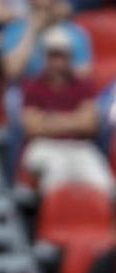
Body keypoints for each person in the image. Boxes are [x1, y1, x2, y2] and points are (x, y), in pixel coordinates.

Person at [19, 26, 111, 194]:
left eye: (62, 55)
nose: (58, 61)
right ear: (45, 57)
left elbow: (90, 125)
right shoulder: (33, 87)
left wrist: (49, 119)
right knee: (56, 180)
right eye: (54, 55)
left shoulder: (84, 86)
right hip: (44, 146)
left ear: (70, 57)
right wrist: (74, 120)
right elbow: (32, 127)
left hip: (79, 146)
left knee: (106, 185)